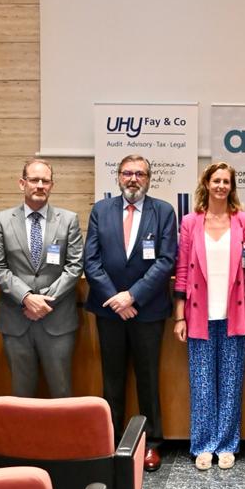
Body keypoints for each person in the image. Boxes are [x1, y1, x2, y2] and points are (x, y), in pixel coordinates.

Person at [84, 154, 177, 472]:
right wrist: (115, 298)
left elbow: (166, 260)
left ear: (149, 179)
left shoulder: (163, 211)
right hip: (109, 310)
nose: (133, 179)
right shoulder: (101, 210)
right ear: (118, 176)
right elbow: (91, 260)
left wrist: (132, 296)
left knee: (148, 379)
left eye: (140, 173)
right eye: (127, 173)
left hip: (147, 310)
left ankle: (151, 443)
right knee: (112, 379)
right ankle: (111, 441)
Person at [173, 162, 245, 471]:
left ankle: (227, 444)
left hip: (234, 312)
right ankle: (203, 444)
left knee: (231, 383)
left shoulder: (243, 221)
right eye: (216, 180)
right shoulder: (190, 222)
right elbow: (182, 270)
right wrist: (179, 316)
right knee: (202, 384)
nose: (221, 186)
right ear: (206, 184)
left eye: (226, 181)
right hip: (199, 314)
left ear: (232, 187)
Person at [0, 159, 83, 398]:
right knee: (21, 393)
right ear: (22, 183)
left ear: (52, 185)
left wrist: (44, 302)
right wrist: (27, 298)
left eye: (45, 181)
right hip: (17, 320)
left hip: (57, 320)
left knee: (62, 391)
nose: (40, 185)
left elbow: (75, 266)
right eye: (34, 180)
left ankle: (63, 427)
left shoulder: (68, 219)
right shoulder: (2, 220)